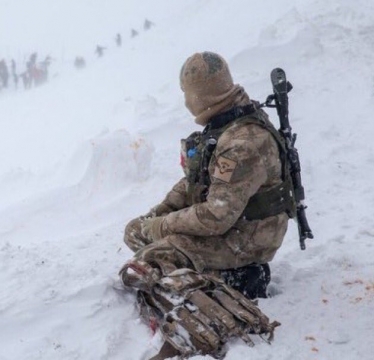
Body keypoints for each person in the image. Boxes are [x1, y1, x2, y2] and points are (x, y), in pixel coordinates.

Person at [119, 52, 292, 359]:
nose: (186, 102)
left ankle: (208, 315)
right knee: (136, 234)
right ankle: (203, 279)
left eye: (188, 94)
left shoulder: (243, 142)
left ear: (202, 95)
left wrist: (160, 227)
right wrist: (159, 213)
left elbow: (216, 216)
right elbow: (195, 182)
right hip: (233, 223)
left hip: (249, 239)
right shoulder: (224, 122)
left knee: (152, 257)